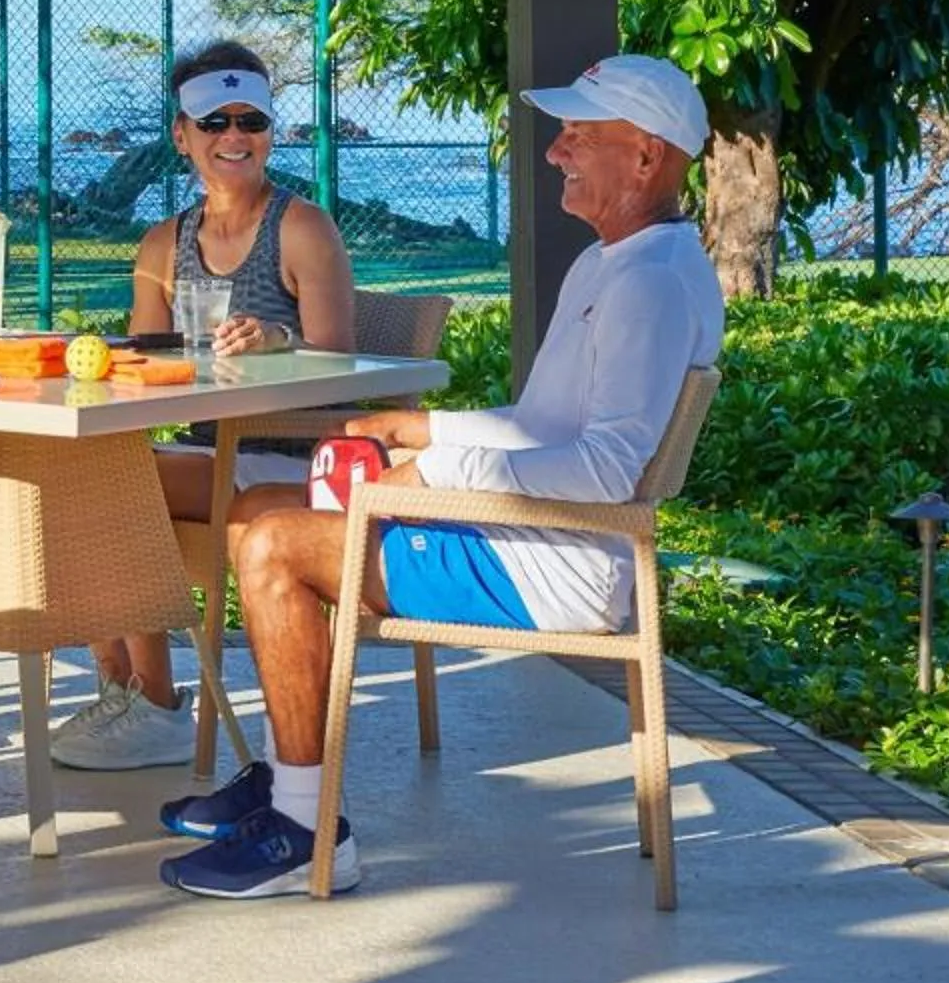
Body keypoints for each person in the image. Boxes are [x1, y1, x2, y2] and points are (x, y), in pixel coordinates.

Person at [156, 53, 725, 899]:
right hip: (522, 535)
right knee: (261, 505)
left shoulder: (648, 283)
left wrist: (428, 472)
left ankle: (307, 832)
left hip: (547, 568)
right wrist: (420, 428)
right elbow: (543, 428)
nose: (554, 152)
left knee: (274, 542)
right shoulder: (617, 262)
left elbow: (607, 470)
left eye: (577, 136)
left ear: (644, 158)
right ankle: (287, 776)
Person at [50, 42, 354, 773]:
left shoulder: (302, 228)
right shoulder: (163, 244)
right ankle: (123, 686)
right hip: (204, 451)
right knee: (71, 474)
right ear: (181, 137)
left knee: (111, 481)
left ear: (271, 131)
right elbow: (145, 357)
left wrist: (276, 338)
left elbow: (342, 362)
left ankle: (154, 704)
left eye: (250, 120)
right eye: (213, 122)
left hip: (284, 455)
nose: (234, 137)